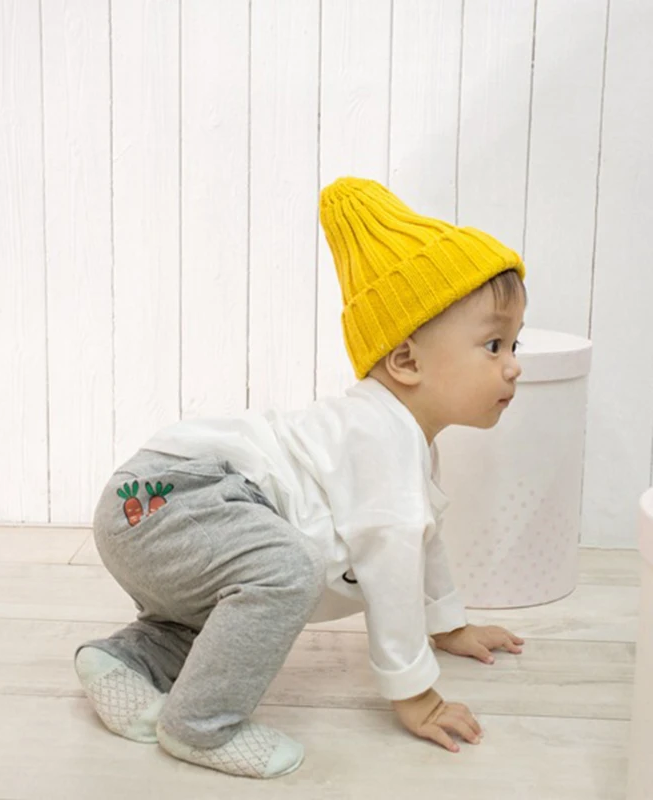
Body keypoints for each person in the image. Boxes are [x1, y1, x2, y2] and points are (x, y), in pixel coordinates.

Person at [74, 177, 526, 779]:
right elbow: (393, 565)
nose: (513, 366)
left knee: (230, 615)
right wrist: (417, 695)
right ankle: (200, 725)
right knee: (288, 568)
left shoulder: (401, 441)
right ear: (406, 361)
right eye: (493, 345)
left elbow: (422, 540)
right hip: (174, 494)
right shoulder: (380, 435)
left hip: (144, 506)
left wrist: (450, 626)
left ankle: (123, 662)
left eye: (514, 343)